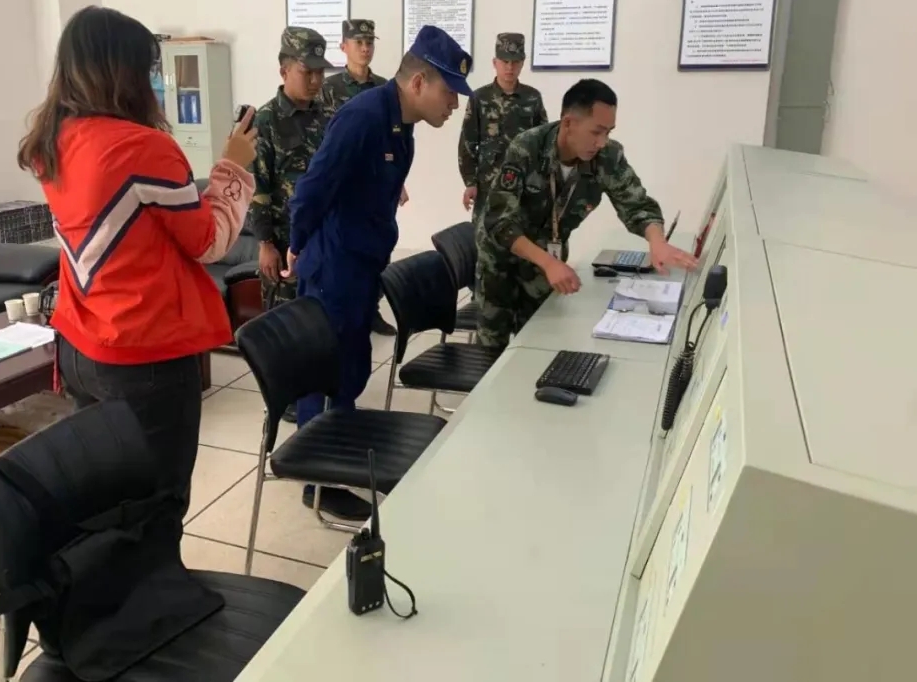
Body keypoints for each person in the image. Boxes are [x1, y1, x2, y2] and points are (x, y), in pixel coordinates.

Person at [16, 5, 257, 530]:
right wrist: (232, 166)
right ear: (122, 72)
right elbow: (209, 242)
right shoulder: (143, 147)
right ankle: (155, 581)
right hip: (144, 352)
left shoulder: (51, 142)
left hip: (80, 343)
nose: (156, 83)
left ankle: (112, 578)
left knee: (104, 492)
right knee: (158, 499)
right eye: (149, 70)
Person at [282, 25, 472, 520]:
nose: (454, 105)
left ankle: (339, 451)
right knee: (327, 371)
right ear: (419, 83)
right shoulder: (363, 117)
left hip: (362, 264)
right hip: (334, 266)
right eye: (449, 92)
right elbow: (312, 188)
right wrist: (297, 246)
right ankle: (318, 480)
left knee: (352, 365)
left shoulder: (400, 125)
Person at [476, 78, 698, 350]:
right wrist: (548, 263)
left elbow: (637, 205)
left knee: (537, 343)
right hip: (500, 264)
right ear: (569, 123)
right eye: (596, 132)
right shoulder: (527, 148)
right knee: (492, 352)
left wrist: (657, 242)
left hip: (547, 264)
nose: (602, 142)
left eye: (608, 132)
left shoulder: (607, 156)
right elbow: (500, 222)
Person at [249, 27, 334, 424]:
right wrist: (265, 243)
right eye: (307, 71)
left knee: (317, 326)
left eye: (320, 72)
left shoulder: (327, 116)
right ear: (284, 70)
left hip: (320, 243)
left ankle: (313, 396)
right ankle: (284, 400)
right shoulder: (265, 121)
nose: (316, 80)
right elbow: (258, 188)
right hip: (282, 243)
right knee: (285, 327)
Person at [319, 18, 400, 337]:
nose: (365, 48)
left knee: (379, 246)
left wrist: (398, 178)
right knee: (345, 249)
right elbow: (323, 138)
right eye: (358, 43)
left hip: (378, 182)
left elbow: (392, 136)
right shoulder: (329, 89)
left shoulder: (384, 87)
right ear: (344, 47)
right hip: (344, 183)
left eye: (369, 43)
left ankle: (371, 309)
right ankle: (343, 314)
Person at [458, 32, 548, 226]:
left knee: (521, 236)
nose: (509, 67)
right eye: (504, 61)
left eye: (515, 62)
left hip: (523, 188)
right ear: (495, 62)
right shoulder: (479, 98)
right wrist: (470, 182)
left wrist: (541, 182)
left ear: (522, 63)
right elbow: (467, 143)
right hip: (487, 187)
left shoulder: (532, 98)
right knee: (483, 238)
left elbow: (544, 143)